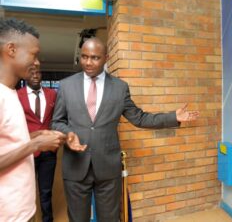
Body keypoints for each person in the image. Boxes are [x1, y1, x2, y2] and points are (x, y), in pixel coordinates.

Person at [52, 37, 199, 222]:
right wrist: (68, 134)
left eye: (95, 58)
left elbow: (139, 117)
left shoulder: (120, 88)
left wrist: (173, 117)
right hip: (75, 166)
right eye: (84, 57)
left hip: (107, 168)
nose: (88, 62)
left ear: (106, 58)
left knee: (110, 218)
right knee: (77, 218)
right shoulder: (66, 86)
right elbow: (57, 121)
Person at [0, 17, 66, 222]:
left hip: (22, 210)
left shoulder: (10, 93)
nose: (37, 62)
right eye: (34, 55)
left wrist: (35, 135)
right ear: (11, 49)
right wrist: (35, 144)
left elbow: (7, 142)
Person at [17, 67, 58, 222]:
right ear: (26, 75)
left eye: (38, 72)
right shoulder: (17, 95)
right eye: (31, 73)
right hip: (27, 150)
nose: (35, 75)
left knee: (46, 191)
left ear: (42, 75)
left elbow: (58, 118)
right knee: (25, 190)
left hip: (48, 152)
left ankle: (48, 220)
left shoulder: (52, 94)